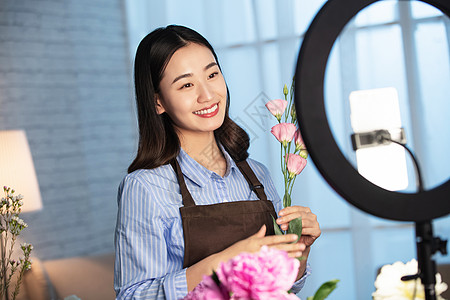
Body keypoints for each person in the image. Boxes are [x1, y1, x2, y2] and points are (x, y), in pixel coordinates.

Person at [114, 25, 321, 300]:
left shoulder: (257, 175)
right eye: (186, 84)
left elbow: (282, 287)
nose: (208, 95)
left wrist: (300, 252)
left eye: (212, 74)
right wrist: (225, 262)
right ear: (158, 102)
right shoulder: (145, 187)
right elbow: (132, 296)